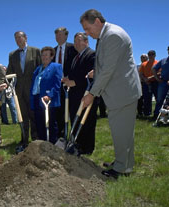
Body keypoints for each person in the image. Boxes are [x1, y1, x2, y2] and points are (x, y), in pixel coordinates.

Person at [80, 9, 141, 179]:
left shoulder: (113, 35)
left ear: (97, 22)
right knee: (122, 132)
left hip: (123, 92)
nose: (87, 32)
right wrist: (96, 71)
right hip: (120, 92)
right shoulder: (105, 35)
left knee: (122, 132)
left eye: (87, 28)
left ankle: (122, 169)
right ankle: (123, 163)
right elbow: (106, 65)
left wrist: (92, 94)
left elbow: (108, 70)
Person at [62, 32, 98, 155]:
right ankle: (76, 143)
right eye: (75, 41)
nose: (76, 44)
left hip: (86, 93)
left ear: (86, 42)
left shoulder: (92, 55)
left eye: (79, 41)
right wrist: (67, 79)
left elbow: (93, 75)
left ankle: (87, 148)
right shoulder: (75, 58)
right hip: (74, 95)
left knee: (86, 121)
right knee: (75, 119)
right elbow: (74, 74)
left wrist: (75, 82)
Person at [7, 31, 41, 152]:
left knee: (34, 115)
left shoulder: (36, 51)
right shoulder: (12, 55)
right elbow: (9, 73)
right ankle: (24, 139)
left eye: (19, 37)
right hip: (19, 91)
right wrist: (6, 84)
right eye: (15, 38)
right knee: (23, 116)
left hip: (33, 89)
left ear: (26, 37)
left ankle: (36, 139)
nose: (18, 40)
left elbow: (40, 69)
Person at [30, 46, 62, 144]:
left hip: (48, 99)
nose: (44, 57)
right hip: (37, 98)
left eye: (47, 55)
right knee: (39, 123)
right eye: (43, 55)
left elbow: (57, 84)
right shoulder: (38, 69)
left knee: (50, 123)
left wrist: (50, 95)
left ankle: (52, 144)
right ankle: (42, 144)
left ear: (52, 56)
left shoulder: (56, 67)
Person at [53, 27, 78, 138]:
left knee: (72, 111)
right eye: (56, 35)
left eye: (60, 34)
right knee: (59, 113)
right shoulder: (53, 51)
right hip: (57, 87)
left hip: (70, 85)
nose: (58, 37)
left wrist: (70, 78)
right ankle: (61, 137)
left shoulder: (73, 48)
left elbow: (77, 65)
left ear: (66, 36)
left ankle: (73, 136)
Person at [139, 50, 158, 117]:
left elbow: (159, 73)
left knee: (157, 98)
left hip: (155, 82)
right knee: (147, 98)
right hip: (146, 83)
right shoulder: (143, 64)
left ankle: (157, 113)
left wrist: (150, 78)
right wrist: (145, 79)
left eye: (152, 54)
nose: (150, 56)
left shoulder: (157, 63)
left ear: (155, 55)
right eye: (149, 54)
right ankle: (147, 113)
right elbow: (141, 73)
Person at [152, 46, 169, 118]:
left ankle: (166, 116)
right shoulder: (163, 60)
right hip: (163, 83)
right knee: (160, 99)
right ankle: (157, 115)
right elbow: (154, 68)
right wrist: (157, 78)